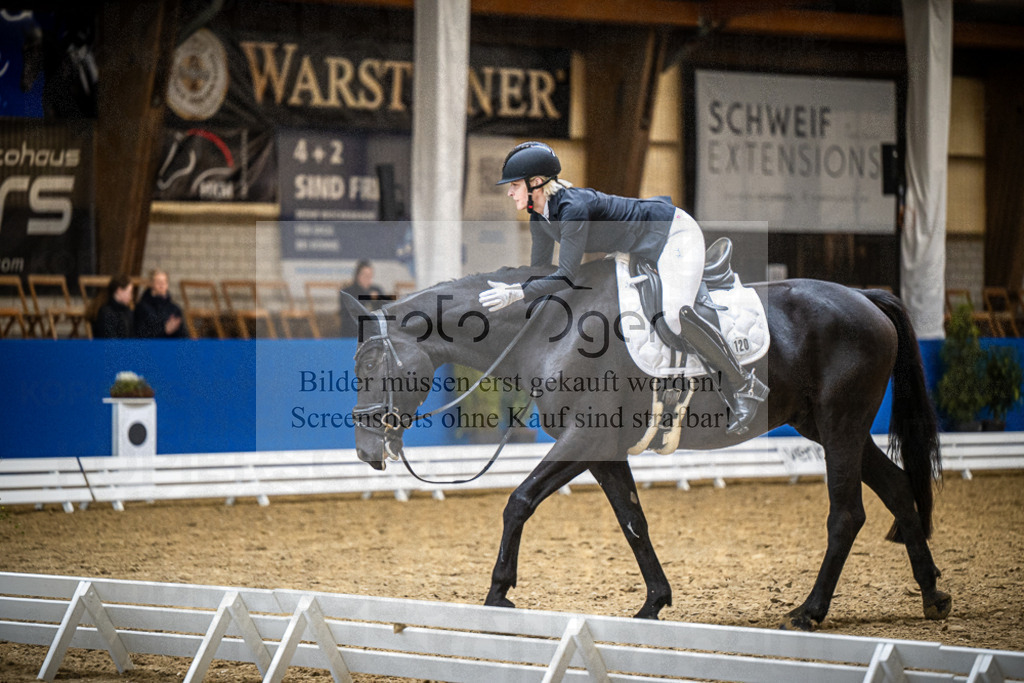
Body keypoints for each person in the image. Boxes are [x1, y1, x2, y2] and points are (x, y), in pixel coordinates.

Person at [478, 141, 768, 435]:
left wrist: (517, 292)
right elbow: (540, 272)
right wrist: (515, 294)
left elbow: (565, 276)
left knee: (674, 316)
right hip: (642, 245)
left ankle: (745, 384)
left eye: (515, 185)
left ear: (537, 183)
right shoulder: (539, 216)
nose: (510, 192)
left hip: (672, 234)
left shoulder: (571, 209)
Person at [134, 269, 186, 338]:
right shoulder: (142, 307)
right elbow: (139, 334)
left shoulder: (174, 309)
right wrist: (164, 331)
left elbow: (183, 336)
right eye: (158, 281)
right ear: (151, 284)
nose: (162, 284)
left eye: (164, 281)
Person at [341, 260, 386, 337]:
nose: (367, 279)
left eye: (370, 276)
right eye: (365, 275)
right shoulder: (348, 292)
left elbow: (386, 308)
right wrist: (367, 297)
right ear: (358, 275)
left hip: (375, 332)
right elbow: (349, 313)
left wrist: (378, 300)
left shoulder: (377, 290)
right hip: (354, 332)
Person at [88, 274, 134, 339]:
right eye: (130, 292)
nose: (131, 297)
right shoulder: (106, 313)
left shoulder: (127, 310)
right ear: (119, 291)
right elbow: (109, 340)